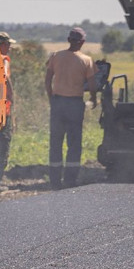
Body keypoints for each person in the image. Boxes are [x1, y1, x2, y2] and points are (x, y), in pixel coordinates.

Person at [44, 27, 95, 189]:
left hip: (58, 102)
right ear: (83, 42)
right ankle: (70, 180)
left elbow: (47, 79)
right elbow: (93, 84)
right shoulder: (86, 60)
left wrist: (51, 97)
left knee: (56, 142)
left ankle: (54, 181)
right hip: (75, 104)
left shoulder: (56, 56)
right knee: (74, 143)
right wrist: (93, 98)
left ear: (68, 40)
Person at [0, 31, 17, 185]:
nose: (9, 47)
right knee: (4, 143)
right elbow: (5, 77)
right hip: (4, 109)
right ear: (2, 44)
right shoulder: (3, 59)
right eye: (8, 44)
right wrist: (12, 96)